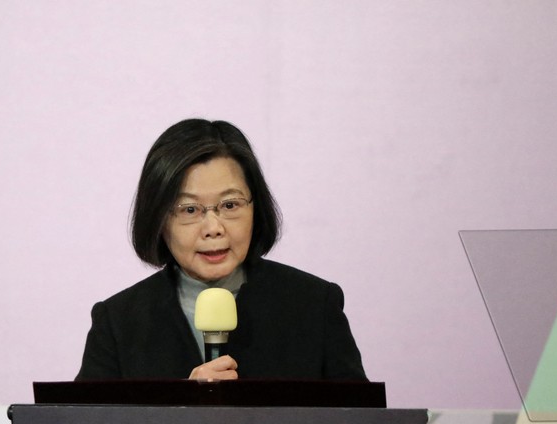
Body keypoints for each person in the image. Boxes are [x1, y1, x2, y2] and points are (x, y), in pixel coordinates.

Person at [75, 118, 367, 381]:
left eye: (230, 205)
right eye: (189, 209)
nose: (213, 227)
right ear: (158, 219)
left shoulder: (314, 305)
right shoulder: (117, 323)